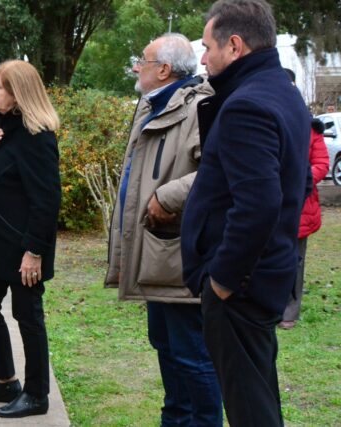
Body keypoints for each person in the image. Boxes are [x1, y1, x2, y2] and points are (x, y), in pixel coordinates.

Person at [181, 1, 311, 425]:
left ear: (234, 45)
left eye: (207, 47)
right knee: (257, 398)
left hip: (241, 290)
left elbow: (258, 204)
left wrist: (222, 281)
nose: (202, 58)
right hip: (263, 278)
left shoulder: (246, 104)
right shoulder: (282, 91)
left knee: (250, 410)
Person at [104, 34, 223, 426]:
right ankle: (175, 420)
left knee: (191, 354)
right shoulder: (152, 107)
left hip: (178, 256)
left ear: (165, 70)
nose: (138, 67)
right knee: (167, 347)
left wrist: (168, 197)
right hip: (155, 253)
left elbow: (219, 172)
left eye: (143, 59)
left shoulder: (200, 106)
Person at [0, 60, 61, 419]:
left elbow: (47, 200)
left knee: (28, 315)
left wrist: (34, 251)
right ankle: (7, 381)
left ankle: (37, 394)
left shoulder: (37, 135)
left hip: (23, 248)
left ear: (19, 91)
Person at [280, 69, 330, 330]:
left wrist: (296, 176)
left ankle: (289, 311)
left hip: (300, 207)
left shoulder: (309, 127)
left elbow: (322, 163)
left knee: (294, 261)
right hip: (269, 206)